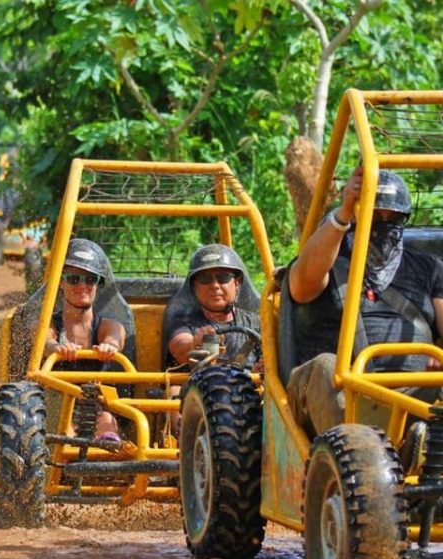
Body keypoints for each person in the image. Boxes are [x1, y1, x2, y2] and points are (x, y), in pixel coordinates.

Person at [286, 167, 443, 452]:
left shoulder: (428, 268)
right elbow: (301, 286)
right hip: (338, 393)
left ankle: (410, 453)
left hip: (409, 395)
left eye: (391, 218)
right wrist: (344, 212)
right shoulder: (329, 257)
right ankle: (361, 457)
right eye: (374, 214)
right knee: (325, 366)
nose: (383, 224)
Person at [43, 238, 126, 442]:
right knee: (65, 431)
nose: (83, 286)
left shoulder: (106, 325)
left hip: (93, 406)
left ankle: (108, 467)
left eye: (90, 280)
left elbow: (116, 336)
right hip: (55, 405)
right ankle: (66, 465)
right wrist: (58, 348)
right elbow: (45, 342)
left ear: (98, 284)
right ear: (60, 283)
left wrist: (110, 346)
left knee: (107, 420)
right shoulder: (50, 323)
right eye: (73, 279)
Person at [166, 243, 261, 368]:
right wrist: (195, 343)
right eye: (205, 279)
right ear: (194, 286)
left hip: (246, 385)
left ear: (237, 283)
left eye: (224, 277)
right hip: (196, 385)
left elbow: (272, 359)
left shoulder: (257, 324)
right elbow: (179, 347)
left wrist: (263, 368)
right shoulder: (183, 321)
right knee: (174, 389)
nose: (215, 285)